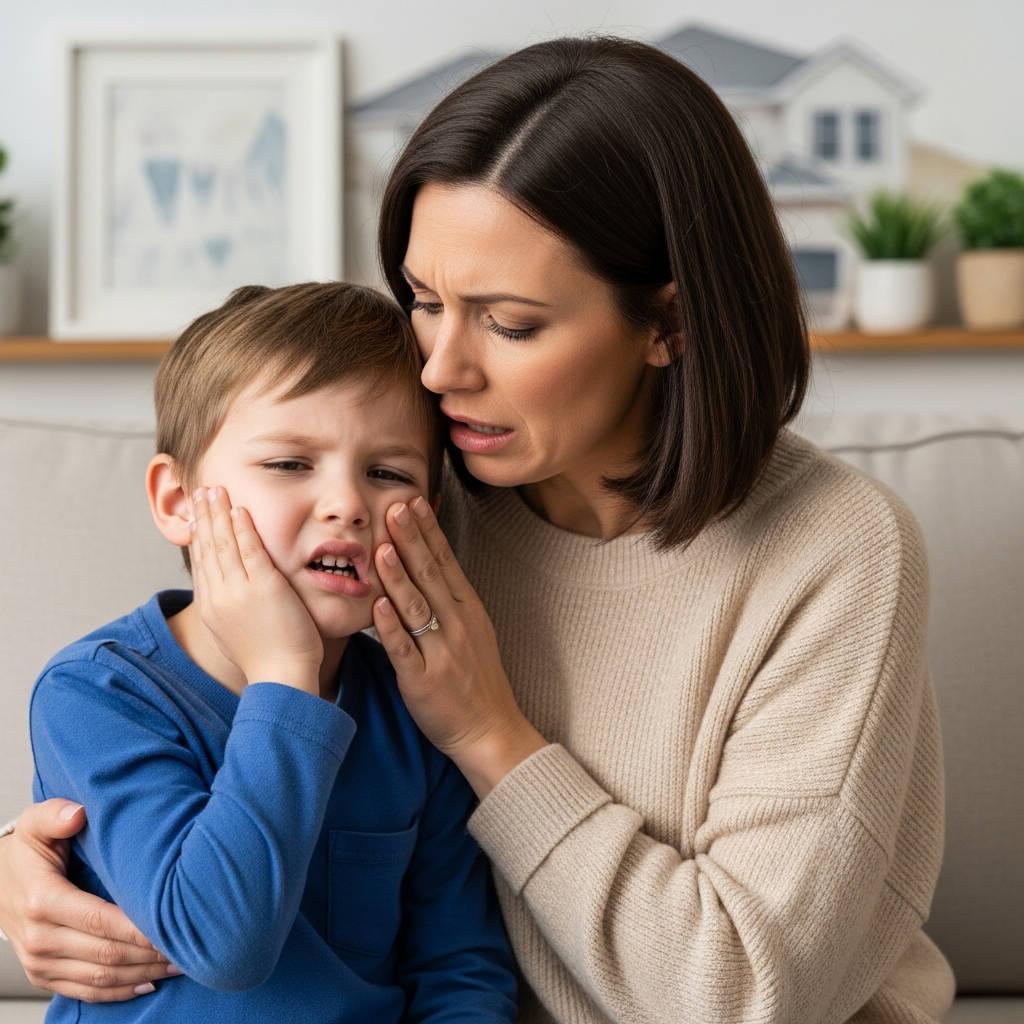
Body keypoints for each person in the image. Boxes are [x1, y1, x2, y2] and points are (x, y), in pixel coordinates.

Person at [0, 36, 955, 1024]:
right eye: (423, 300)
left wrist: (489, 732)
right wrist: (31, 860)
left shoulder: (833, 553)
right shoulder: (414, 489)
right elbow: (176, 707)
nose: (438, 370)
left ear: (667, 321)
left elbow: (741, 998)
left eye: (508, 321)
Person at [17, 281, 518, 1022]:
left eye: (388, 473)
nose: (347, 503)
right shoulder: (96, 695)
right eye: (290, 464)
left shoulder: (418, 712)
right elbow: (220, 942)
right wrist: (285, 678)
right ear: (177, 501)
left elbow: (458, 968)